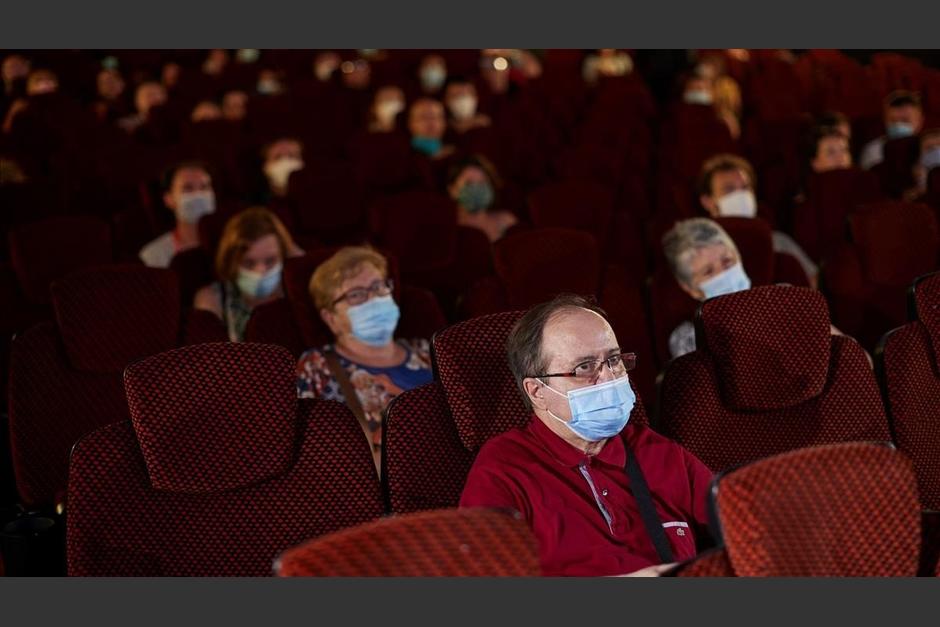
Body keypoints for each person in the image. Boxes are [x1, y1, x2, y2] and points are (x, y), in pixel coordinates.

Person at [460, 294, 713, 577]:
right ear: (537, 391)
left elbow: (746, 528)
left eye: (614, 360)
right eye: (585, 367)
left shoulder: (657, 451)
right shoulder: (503, 471)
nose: (609, 378)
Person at [296, 246, 433, 471]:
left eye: (379, 287)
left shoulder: (428, 351)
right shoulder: (316, 366)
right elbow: (310, 454)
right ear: (331, 318)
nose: (374, 300)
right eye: (356, 295)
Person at [698, 153, 817, 283]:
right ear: (707, 201)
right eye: (729, 189)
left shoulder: (778, 241)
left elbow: (813, 283)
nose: (740, 196)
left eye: (745, 188)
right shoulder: (700, 251)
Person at [194, 207, 300, 342]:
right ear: (232, 262)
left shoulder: (297, 295)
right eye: (249, 263)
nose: (261, 272)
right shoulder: (212, 300)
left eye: (270, 261)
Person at [662, 218, 753, 359]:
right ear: (690, 288)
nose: (723, 274)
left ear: (738, 257)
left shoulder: (783, 300)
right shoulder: (688, 340)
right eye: (708, 271)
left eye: (727, 261)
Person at [139, 161, 216, 268]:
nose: (198, 195)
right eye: (188, 189)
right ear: (169, 199)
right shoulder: (154, 255)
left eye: (204, 187)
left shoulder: (233, 241)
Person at [446, 155, 517, 242]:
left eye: (482, 182)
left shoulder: (507, 221)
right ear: (452, 190)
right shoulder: (449, 230)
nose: (477, 188)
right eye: (469, 183)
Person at [859, 91, 924, 170]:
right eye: (893, 120)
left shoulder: (932, 147)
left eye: (905, 120)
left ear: (919, 121)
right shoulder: (873, 150)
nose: (898, 124)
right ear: (884, 121)